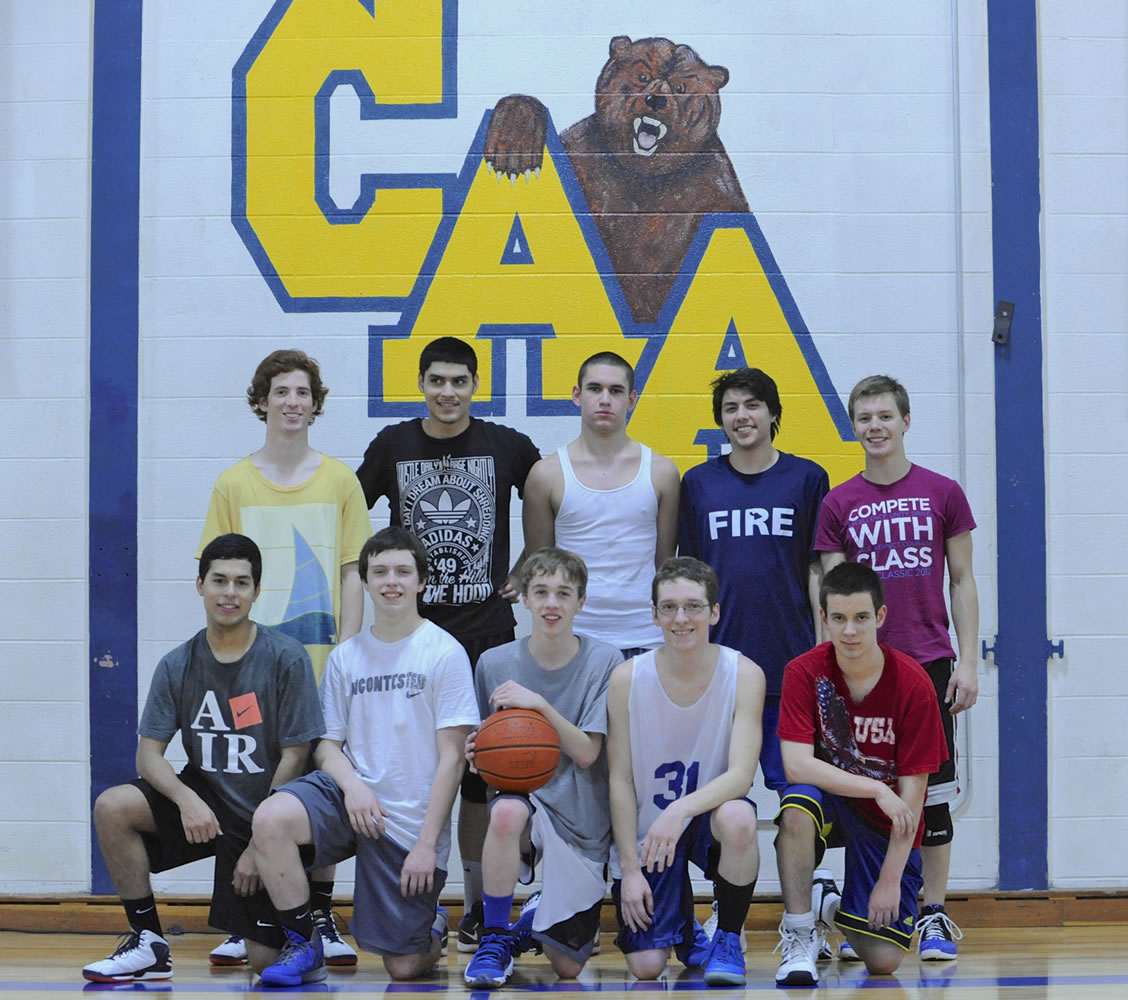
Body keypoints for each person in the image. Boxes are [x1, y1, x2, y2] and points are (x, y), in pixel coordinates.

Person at [355, 336, 541, 951]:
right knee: (421, 776)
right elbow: (352, 516)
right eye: (437, 380)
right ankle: (423, 903)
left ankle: (480, 907)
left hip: (487, 636)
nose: (448, 392)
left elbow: (551, 500)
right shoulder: (393, 446)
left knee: (482, 779)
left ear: (475, 385)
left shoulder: (507, 446)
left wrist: (532, 566)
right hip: (414, 641)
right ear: (421, 383)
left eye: (459, 381)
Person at [81, 534, 324, 984]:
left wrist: (259, 838)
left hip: (265, 815)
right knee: (113, 807)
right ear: (200, 585)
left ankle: (304, 935)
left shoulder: (285, 658)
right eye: (219, 581)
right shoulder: (178, 664)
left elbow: (297, 756)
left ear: (255, 591)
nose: (229, 592)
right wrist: (186, 798)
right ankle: (149, 942)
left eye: (241, 583)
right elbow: (148, 756)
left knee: (263, 963)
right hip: (207, 803)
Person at [199, 348, 372, 966]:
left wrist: (348, 654)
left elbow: (355, 570)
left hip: (324, 659)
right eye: (281, 392)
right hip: (250, 667)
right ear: (262, 401)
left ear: (315, 404)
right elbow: (217, 574)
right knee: (244, 788)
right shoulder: (233, 484)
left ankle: (319, 917)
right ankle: (246, 914)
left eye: (303, 392)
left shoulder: (340, 479)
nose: (292, 402)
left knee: (316, 789)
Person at [251, 527, 479, 986]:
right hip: (349, 797)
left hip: (408, 822)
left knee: (403, 968)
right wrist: (353, 787)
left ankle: (431, 927)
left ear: (421, 582)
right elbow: (328, 746)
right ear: (367, 583)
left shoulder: (444, 653)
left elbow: (453, 760)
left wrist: (424, 845)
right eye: (379, 572)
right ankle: (303, 943)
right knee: (270, 819)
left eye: (402, 571)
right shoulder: (346, 657)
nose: (390, 581)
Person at [815, 374, 979, 961]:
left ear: (905, 422)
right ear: (853, 426)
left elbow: (961, 580)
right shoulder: (839, 501)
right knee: (862, 791)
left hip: (929, 662)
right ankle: (850, 906)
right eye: (864, 418)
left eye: (885, 416)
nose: (875, 427)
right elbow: (832, 594)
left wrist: (968, 662)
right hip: (860, 670)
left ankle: (933, 912)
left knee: (930, 794)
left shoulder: (944, 492)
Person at [679, 368, 830, 953]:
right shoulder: (698, 484)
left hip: (790, 672)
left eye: (753, 406)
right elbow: (687, 578)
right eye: (731, 408)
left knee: (802, 801)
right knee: (727, 809)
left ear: (773, 413)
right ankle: (728, 913)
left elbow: (820, 571)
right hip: (722, 679)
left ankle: (809, 907)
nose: (742, 416)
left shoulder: (807, 479)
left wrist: (823, 660)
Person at [773, 561, 948, 986]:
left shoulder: (914, 683)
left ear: (880, 617)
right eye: (839, 618)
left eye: (861, 618)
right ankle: (799, 934)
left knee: (883, 960)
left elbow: (912, 800)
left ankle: (826, 907)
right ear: (824, 618)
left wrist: (889, 880)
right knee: (796, 806)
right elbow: (796, 765)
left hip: (886, 823)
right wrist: (873, 787)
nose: (849, 631)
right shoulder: (803, 672)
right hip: (834, 801)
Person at [461, 548, 622, 988]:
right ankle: (494, 936)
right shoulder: (494, 663)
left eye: (563, 594)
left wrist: (540, 705)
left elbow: (588, 753)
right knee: (506, 812)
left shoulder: (605, 661)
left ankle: (533, 916)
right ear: (525, 600)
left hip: (582, 819)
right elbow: (485, 748)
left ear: (581, 602)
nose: (552, 603)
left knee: (567, 967)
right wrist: (477, 756)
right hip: (525, 804)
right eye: (541, 592)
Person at [607, 557, 765, 987]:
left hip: (703, 818)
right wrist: (629, 870)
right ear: (654, 614)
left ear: (714, 612)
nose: (682, 618)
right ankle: (684, 925)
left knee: (739, 817)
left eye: (694, 606)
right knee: (646, 967)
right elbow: (619, 779)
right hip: (649, 833)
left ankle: (728, 938)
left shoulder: (745, 674)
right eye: (670, 607)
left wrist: (678, 812)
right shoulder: (625, 678)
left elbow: (741, 776)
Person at [523, 351, 681, 656]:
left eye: (616, 391)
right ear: (577, 395)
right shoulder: (547, 474)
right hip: (574, 639)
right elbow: (540, 569)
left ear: (632, 399)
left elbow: (664, 564)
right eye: (595, 389)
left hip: (645, 637)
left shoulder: (662, 472)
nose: (605, 399)